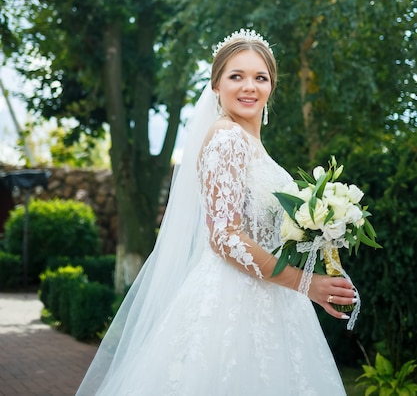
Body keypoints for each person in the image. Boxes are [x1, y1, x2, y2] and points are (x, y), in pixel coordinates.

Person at [76, 29, 356, 395]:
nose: (249, 87)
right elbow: (225, 236)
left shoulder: (253, 144)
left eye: (260, 77)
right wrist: (307, 284)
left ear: (272, 86)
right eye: (236, 76)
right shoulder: (227, 139)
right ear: (216, 85)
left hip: (274, 298)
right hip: (232, 304)